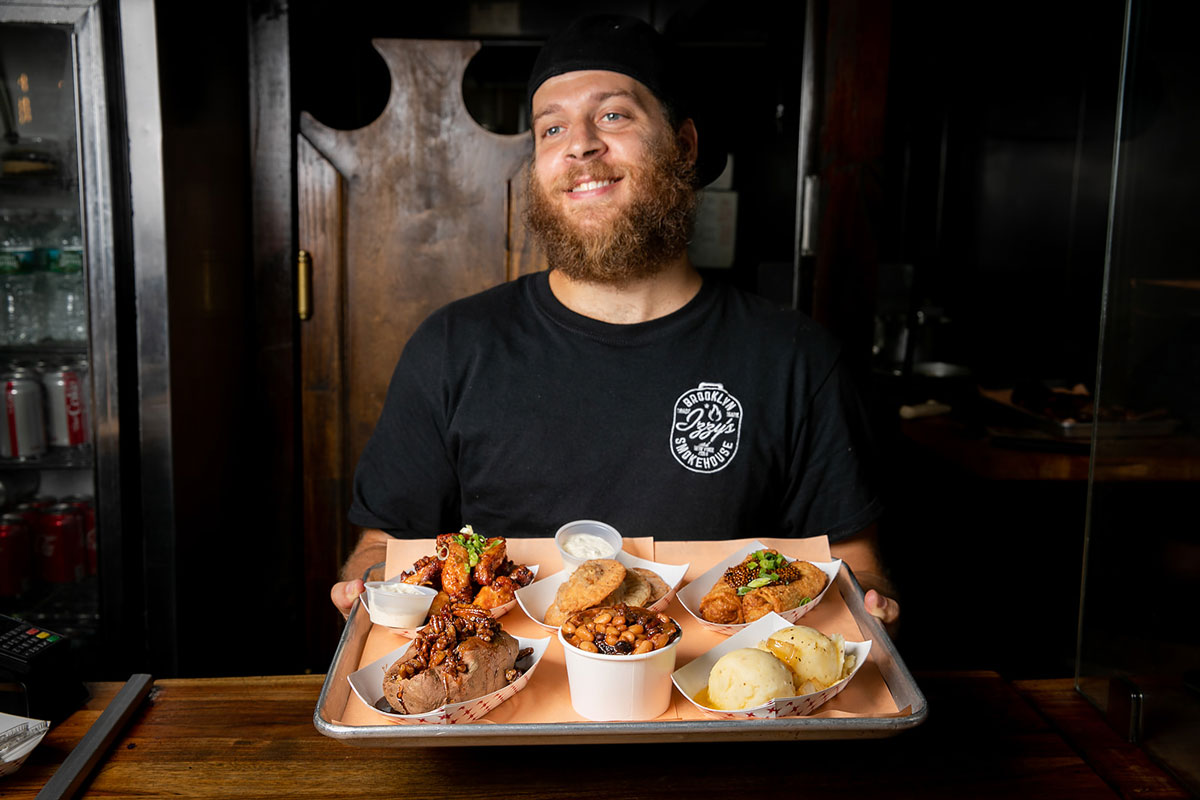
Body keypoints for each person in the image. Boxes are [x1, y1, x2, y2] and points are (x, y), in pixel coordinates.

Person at [330, 14, 900, 631]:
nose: (579, 144)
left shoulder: (795, 358)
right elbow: (382, 549)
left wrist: (870, 611)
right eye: (552, 128)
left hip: (720, 711)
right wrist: (367, 587)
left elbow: (851, 560)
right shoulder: (452, 348)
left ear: (683, 144)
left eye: (612, 115)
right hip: (502, 708)